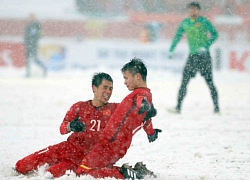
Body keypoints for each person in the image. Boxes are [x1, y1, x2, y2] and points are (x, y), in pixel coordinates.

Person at [15, 72, 119, 178]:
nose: (108, 92)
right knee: (21, 166)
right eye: (105, 88)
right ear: (94, 88)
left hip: (85, 158)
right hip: (68, 149)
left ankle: (123, 171)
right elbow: (62, 129)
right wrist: (71, 126)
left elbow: (134, 107)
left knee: (51, 173)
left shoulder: (115, 109)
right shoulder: (79, 106)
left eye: (111, 89)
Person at [75, 58, 162, 179]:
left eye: (126, 78)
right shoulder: (146, 94)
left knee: (82, 172)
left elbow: (141, 101)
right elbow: (146, 118)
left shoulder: (140, 94)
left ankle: (126, 174)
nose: (125, 82)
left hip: (110, 143)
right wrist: (151, 132)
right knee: (95, 168)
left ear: (137, 76)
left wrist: (143, 104)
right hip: (116, 144)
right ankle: (134, 171)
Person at [168, 2, 220, 114]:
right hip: (192, 57)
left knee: (210, 82)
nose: (193, 11)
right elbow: (177, 36)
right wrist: (172, 49)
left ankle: (217, 108)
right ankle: (178, 107)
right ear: (188, 11)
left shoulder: (204, 22)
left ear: (199, 11)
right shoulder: (185, 23)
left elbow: (215, 34)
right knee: (184, 82)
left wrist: (206, 46)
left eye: (195, 9)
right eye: (191, 9)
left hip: (204, 57)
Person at [24, 13, 47, 77]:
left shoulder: (36, 25)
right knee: (28, 59)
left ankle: (44, 68)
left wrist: (33, 40)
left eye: (31, 17)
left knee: (34, 59)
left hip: (33, 45)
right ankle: (28, 73)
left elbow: (39, 35)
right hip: (29, 44)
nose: (29, 18)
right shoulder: (30, 25)